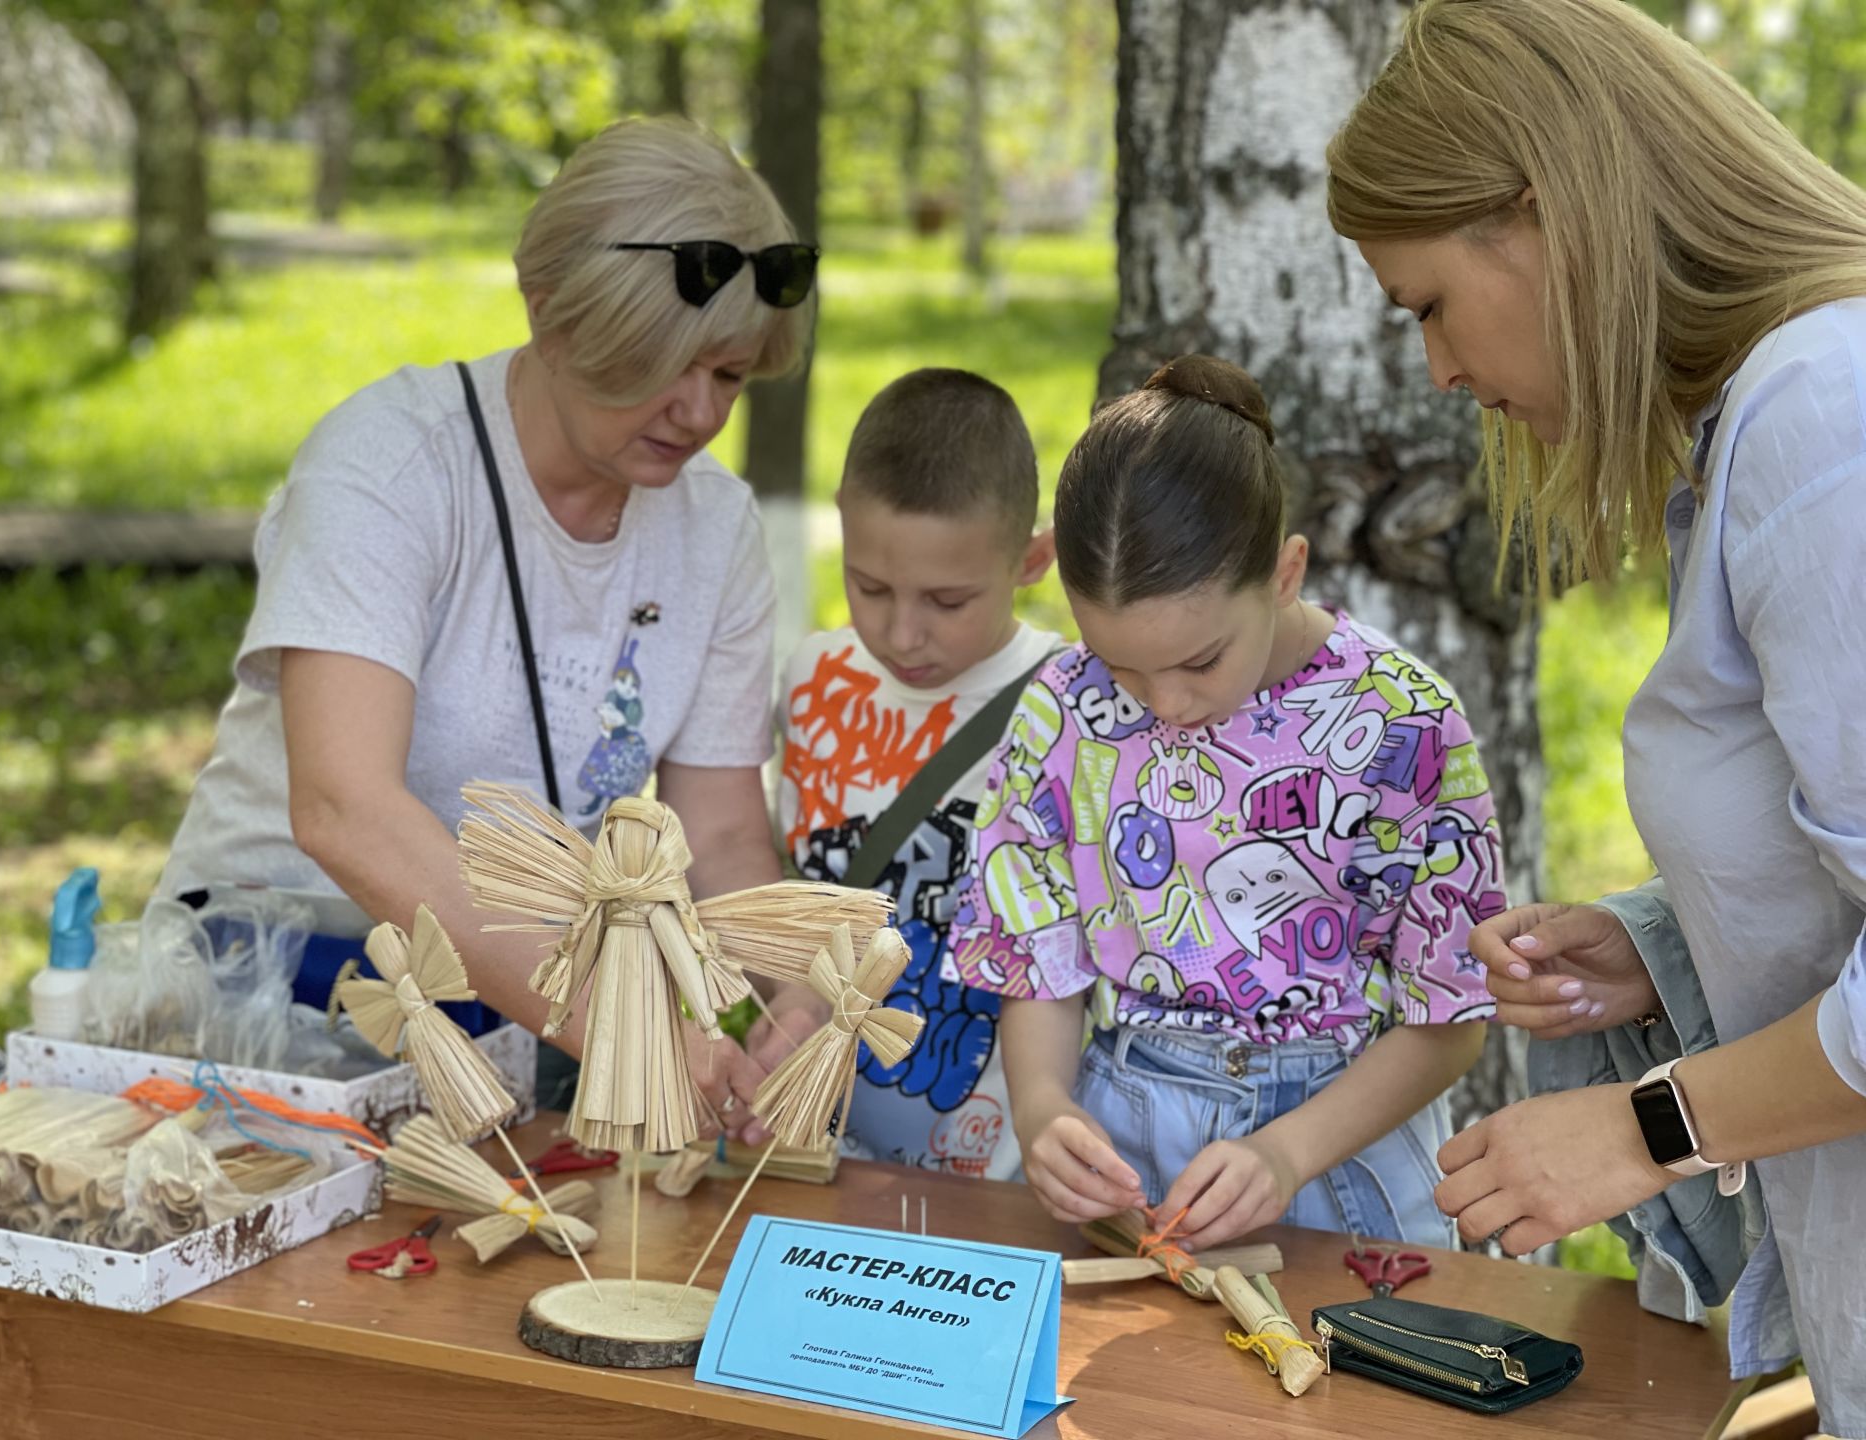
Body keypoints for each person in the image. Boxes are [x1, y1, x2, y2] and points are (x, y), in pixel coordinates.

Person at [1327, 0, 1866, 1429]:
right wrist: (1669, 942)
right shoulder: (1769, 421)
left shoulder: (1825, 420)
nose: (1439, 372)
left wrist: (1649, 1125)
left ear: (1543, 214)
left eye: (1429, 304)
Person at [159, 116, 827, 1137]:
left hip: (526, 1008)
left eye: (730, 374)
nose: (698, 411)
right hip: (270, 995)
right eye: (663, 363)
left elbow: (721, 835)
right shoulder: (392, 464)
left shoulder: (717, 527)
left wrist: (778, 999)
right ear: (551, 311)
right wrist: (626, 1022)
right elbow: (345, 809)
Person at [943, 355, 1503, 1253]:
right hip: (1122, 1159)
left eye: (1200, 661)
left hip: (1336, 1155)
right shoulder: (1059, 710)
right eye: (1121, 667)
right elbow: (1036, 964)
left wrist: (1287, 1154)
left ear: (1286, 572)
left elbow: (1452, 1018)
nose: (1163, 704)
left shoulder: (1401, 722)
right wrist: (1045, 1109)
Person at [777, 368, 1060, 1180]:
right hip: (822, 1151)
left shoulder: (1072, 702)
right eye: (869, 587)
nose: (902, 633)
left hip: (1003, 1168)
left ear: (1032, 559)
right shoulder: (812, 678)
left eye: (947, 600)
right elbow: (795, 880)